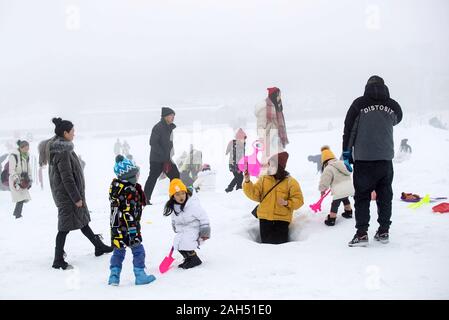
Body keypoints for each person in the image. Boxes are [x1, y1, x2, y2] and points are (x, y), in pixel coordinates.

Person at [342, 75, 403, 247]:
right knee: (385, 196)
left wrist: (346, 153)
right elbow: (398, 119)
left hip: (364, 160)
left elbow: (349, 130)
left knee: (362, 197)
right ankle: (384, 231)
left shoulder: (358, 104)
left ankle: (361, 234)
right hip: (385, 160)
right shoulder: (392, 105)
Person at [46, 117, 113, 270]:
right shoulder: (62, 151)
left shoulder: (63, 147)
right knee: (64, 228)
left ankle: (98, 246)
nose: (74, 134)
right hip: (68, 196)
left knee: (82, 222)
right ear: (65, 133)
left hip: (69, 195)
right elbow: (67, 177)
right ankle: (58, 259)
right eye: (73, 131)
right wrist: (76, 198)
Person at [108, 155, 156, 286]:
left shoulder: (116, 188)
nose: (138, 176)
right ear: (130, 176)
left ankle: (114, 276)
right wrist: (133, 231)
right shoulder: (130, 191)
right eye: (136, 174)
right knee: (138, 251)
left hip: (116, 228)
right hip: (129, 228)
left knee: (118, 252)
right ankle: (140, 275)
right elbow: (129, 212)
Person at [243, 152, 304, 244]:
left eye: (271, 165)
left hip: (281, 220)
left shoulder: (291, 182)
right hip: (264, 219)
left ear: (278, 167)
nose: (268, 167)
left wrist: (287, 203)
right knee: (265, 247)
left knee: (280, 247)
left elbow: (299, 200)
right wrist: (247, 181)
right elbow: (254, 194)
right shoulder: (263, 179)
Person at [163, 179, 210, 269]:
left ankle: (194, 259)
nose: (181, 196)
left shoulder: (192, 205)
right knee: (177, 243)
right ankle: (188, 258)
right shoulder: (175, 207)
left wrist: (205, 232)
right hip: (183, 230)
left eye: (183, 193)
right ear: (172, 196)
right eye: (177, 194)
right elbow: (173, 218)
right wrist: (174, 227)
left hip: (195, 229)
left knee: (186, 241)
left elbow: (204, 218)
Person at [144, 107, 180, 205]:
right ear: (165, 117)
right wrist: (163, 155)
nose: (173, 117)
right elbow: (153, 143)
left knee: (175, 175)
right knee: (153, 177)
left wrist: (169, 155)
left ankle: (175, 196)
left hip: (166, 159)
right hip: (156, 159)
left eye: (173, 116)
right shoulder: (158, 127)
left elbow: (169, 143)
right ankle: (145, 199)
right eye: (171, 116)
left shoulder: (169, 128)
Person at [318, 146, 354, 226]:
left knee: (335, 204)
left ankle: (332, 219)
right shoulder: (342, 164)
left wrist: (322, 189)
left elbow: (325, 180)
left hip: (339, 190)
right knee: (345, 198)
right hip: (349, 188)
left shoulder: (328, 168)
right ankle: (348, 212)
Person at [255, 87, 289, 168]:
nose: (279, 97)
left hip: (277, 138)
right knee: (269, 159)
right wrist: (262, 139)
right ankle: (265, 176)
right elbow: (260, 125)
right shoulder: (264, 108)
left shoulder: (278, 108)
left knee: (279, 158)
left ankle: (279, 175)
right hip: (269, 137)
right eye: (278, 95)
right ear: (274, 95)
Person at [8, 140, 32, 218]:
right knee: (20, 198)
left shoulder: (26, 155)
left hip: (24, 179)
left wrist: (30, 180)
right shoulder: (14, 156)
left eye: (28, 148)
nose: (27, 150)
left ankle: (17, 214)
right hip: (15, 180)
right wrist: (17, 180)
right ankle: (18, 215)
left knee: (23, 197)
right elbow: (11, 169)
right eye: (26, 148)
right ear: (21, 148)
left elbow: (29, 168)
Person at [225, 128, 246, 193]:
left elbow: (228, 151)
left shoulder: (234, 143)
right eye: (243, 138)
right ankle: (231, 188)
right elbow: (239, 157)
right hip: (236, 164)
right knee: (239, 177)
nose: (244, 140)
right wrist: (239, 168)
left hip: (233, 164)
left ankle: (238, 188)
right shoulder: (238, 145)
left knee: (239, 177)